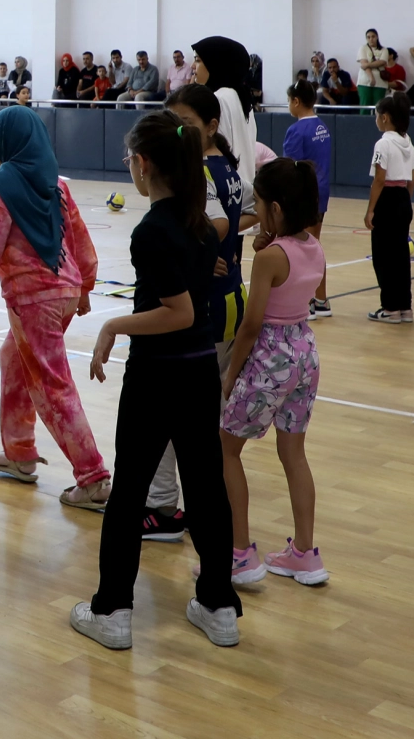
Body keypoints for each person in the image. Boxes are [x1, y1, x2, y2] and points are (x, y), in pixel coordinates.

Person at [71, 111, 241, 651]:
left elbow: (180, 312)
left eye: (129, 160)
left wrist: (113, 324)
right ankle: (218, 606)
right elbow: (204, 271)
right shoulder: (200, 225)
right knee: (207, 490)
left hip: (157, 377)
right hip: (198, 376)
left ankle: (113, 610)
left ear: (143, 165)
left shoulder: (152, 231)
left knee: (129, 494)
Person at [0, 105, 111, 509]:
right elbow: (81, 242)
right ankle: (19, 452)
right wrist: (84, 287)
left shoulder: (2, 185)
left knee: (52, 384)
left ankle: (94, 477)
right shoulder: (56, 183)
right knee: (13, 358)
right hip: (64, 291)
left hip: (34, 299)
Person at [219, 157, 329, 586]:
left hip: (270, 358)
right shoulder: (313, 247)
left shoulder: (269, 259)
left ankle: (240, 553)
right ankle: (304, 553)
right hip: (305, 353)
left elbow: (250, 324)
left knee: (226, 450)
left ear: (276, 210)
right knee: (294, 453)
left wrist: (232, 376)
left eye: (260, 205)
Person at [156, 84, 251, 545]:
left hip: (208, 306)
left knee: (174, 412)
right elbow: (242, 215)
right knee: (206, 415)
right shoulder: (227, 166)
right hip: (231, 299)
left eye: (188, 125)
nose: (180, 133)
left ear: (212, 126)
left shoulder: (202, 171)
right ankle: (204, 505)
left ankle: (163, 508)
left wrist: (202, 247)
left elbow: (216, 224)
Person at [283, 80, 333, 317]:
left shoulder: (296, 130)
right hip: (321, 190)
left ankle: (306, 302)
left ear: (296, 101)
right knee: (315, 245)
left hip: (305, 193)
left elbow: (292, 168)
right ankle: (320, 300)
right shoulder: (322, 126)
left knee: (305, 248)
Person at [364, 93, 414, 323]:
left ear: (384, 118)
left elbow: (379, 179)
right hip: (403, 197)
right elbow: (413, 176)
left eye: (377, 115)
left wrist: (371, 209)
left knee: (383, 256)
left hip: (386, 198)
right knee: (401, 256)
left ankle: (390, 308)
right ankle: (405, 307)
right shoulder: (408, 141)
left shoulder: (383, 143)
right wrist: (405, 199)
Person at [193, 36, 257, 185]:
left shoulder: (219, 98)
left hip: (226, 190)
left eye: (198, 60)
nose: (192, 66)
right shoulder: (242, 97)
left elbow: (219, 151)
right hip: (244, 187)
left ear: (215, 64)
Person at [354, 28, 386, 108]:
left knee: (379, 107)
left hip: (380, 82)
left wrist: (367, 65)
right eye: (368, 37)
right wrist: (371, 77)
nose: (371, 39)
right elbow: (363, 63)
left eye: (373, 36)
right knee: (365, 106)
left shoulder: (384, 50)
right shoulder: (363, 48)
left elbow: (382, 62)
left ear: (377, 37)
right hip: (364, 81)